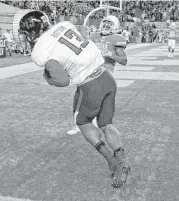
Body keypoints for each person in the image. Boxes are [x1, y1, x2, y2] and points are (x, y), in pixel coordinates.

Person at [31, 21, 130, 188]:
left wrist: (47, 76)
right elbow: (83, 32)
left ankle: (111, 160)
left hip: (90, 85)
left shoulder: (41, 50)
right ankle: (123, 159)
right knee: (106, 123)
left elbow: (62, 80)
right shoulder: (63, 25)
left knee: (82, 122)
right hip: (107, 76)